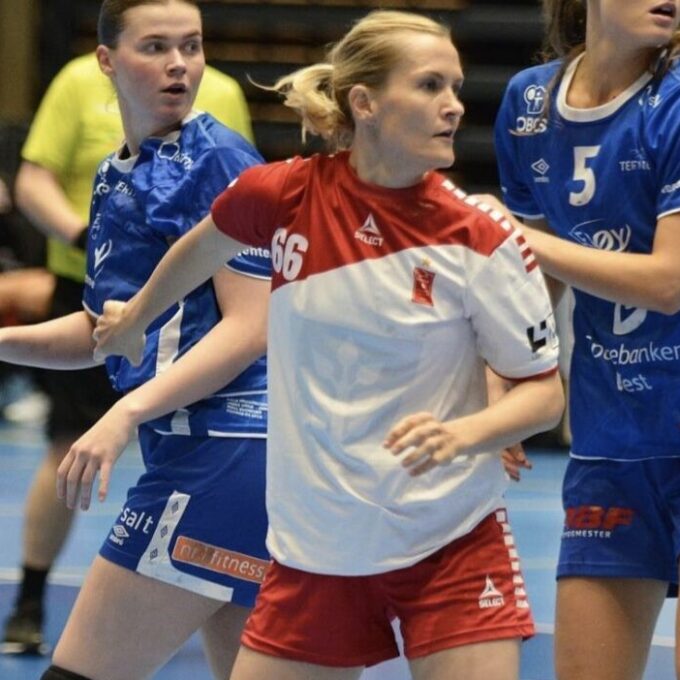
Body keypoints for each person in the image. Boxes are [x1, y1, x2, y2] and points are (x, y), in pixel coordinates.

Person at [93, 10, 565, 680]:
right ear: (365, 103)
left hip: (450, 544)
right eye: (430, 85)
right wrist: (137, 317)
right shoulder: (284, 195)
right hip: (316, 553)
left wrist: (466, 434)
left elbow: (543, 395)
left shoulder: (480, 237)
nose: (455, 106)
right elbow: (201, 248)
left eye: (456, 87)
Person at [0, 1, 270, 678]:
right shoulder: (113, 175)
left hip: (226, 447)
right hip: (194, 445)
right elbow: (106, 332)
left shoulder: (218, 159)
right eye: (155, 47)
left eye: (191, 46)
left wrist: (123, 414)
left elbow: (251, 326)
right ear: (107, 61)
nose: (179, 64)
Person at [492, 1, 680, 679]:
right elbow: (538, 284)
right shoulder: (529, 104)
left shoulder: (674, 100)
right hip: (614, 437)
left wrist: (512, 237)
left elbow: (669, 281)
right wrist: (503, 379)